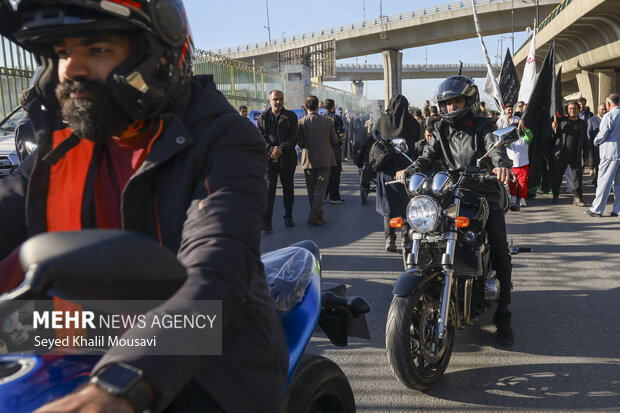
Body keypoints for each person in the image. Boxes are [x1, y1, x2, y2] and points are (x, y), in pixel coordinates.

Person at [0, 1, 288, 412]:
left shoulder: (224, 138)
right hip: (80, 330)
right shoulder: (61, 147)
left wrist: (122, 385)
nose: (72, 69)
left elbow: (214, 269)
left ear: (155, 58)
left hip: (207, 350)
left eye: (97, 49)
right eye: (63, 53)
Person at [396, 75, 514, 346]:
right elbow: (427, 156)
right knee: (418, 230)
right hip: (448, 191)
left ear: (469, 101)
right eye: (446, 103)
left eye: (456, 101)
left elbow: (495, 149)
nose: (451, 107)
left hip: (482, 191)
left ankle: (504, 311)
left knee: (498, 246)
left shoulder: (485, 125)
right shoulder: (440, 129)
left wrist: (500, 165)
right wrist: (412, 169)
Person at [375, 95, 420, 253]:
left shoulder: (383, 120)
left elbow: (375, 137)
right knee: (408, 203)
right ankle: (406, 237)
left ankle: (390, 238)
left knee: (388, 206)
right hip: (406, 170)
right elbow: (418, 138)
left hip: (387, 168)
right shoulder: (412, 122)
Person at [257, 90, 298, 230]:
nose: (278, 102)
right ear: (269, 100)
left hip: (287, 159)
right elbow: (260, 137)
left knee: (288, 190)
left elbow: (293, 137)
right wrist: (271, 149)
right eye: (275, 99)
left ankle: (288, 217)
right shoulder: (262, 117)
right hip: (269, 160)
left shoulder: (291, 116)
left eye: (280, 99)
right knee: (269, 192)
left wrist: (280, 149)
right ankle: (266, 221)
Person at [296, 96, 339, 226]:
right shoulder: (328, 122)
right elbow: (335, 141)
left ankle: (315, 214)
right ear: (318, 107)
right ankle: (315, 214)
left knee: (311, 189)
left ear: (305, 108)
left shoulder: (301, 123)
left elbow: (301, 144)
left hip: (308, 160)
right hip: (325, 159)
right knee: (321, 188)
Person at [586, 93, 620, 217]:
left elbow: (603, 133)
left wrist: (596, 141)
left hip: (610, 153)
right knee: (618, 184)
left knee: (604, 181)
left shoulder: (609, 115)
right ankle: (617, 209)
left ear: (609, 103)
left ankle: (597, 209)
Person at [551, 102, 588, 206]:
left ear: (578, 109)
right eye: (570, 108)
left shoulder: (583, 123)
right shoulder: (561, 121)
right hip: (561, 154)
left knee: (578, 177)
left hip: (575, 155)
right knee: (557, 176)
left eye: (575, 108)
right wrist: (553, 129)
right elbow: (554, 137)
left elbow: (585, 140)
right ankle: (555, 195)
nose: (572, 110)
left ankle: (577, 198)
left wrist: (586, 156)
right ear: (567, 110)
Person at [506, 120, 534, 209]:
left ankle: (522, 199)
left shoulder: (525, 139)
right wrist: (511, 134)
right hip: (512, 167)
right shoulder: (508, 141)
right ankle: (513, 197)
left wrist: (523, 127)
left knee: (523, 184)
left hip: (523, 165)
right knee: (511, 183)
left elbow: (530, 135)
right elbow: (505, 142)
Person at [324, 98, 346, 204]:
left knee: (324, 174)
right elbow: (341, 134)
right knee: (335, 174)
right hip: (335, 149)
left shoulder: (321, 118)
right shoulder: (337, 118)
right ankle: (334, 197)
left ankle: (323, 196)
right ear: (333, 106)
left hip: (323, 149)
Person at [587, 103, 607, 185]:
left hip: (607, 148)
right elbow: (589, 135)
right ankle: (598, 182)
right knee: (598, 166)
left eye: (605, 109)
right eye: (602, 109)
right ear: (598, 109)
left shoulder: (609, 118)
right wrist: (590, 148)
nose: (604, 111)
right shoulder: (591, 120)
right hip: (596, 148)